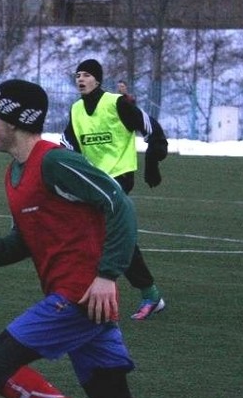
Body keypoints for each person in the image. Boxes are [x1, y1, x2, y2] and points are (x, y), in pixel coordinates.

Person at [0, 79, 228, 398]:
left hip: (81, 298)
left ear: (16, 121)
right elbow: (25, 241)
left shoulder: (57, 163)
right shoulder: (14, 175)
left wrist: (107, 275)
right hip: (83, 304)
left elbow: (119, 204)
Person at [62, 59, 168, 320]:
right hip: (94, 181)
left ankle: (148, 294)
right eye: (78, 75)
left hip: (119, 177)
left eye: (86, 75)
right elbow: (67, 144)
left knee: (105, 232)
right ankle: (148, 294)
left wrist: (152, 161)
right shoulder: (76, 110)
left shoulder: (116, 103)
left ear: (97, 79)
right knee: (109, 235)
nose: (81, 79)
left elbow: (151, 127)